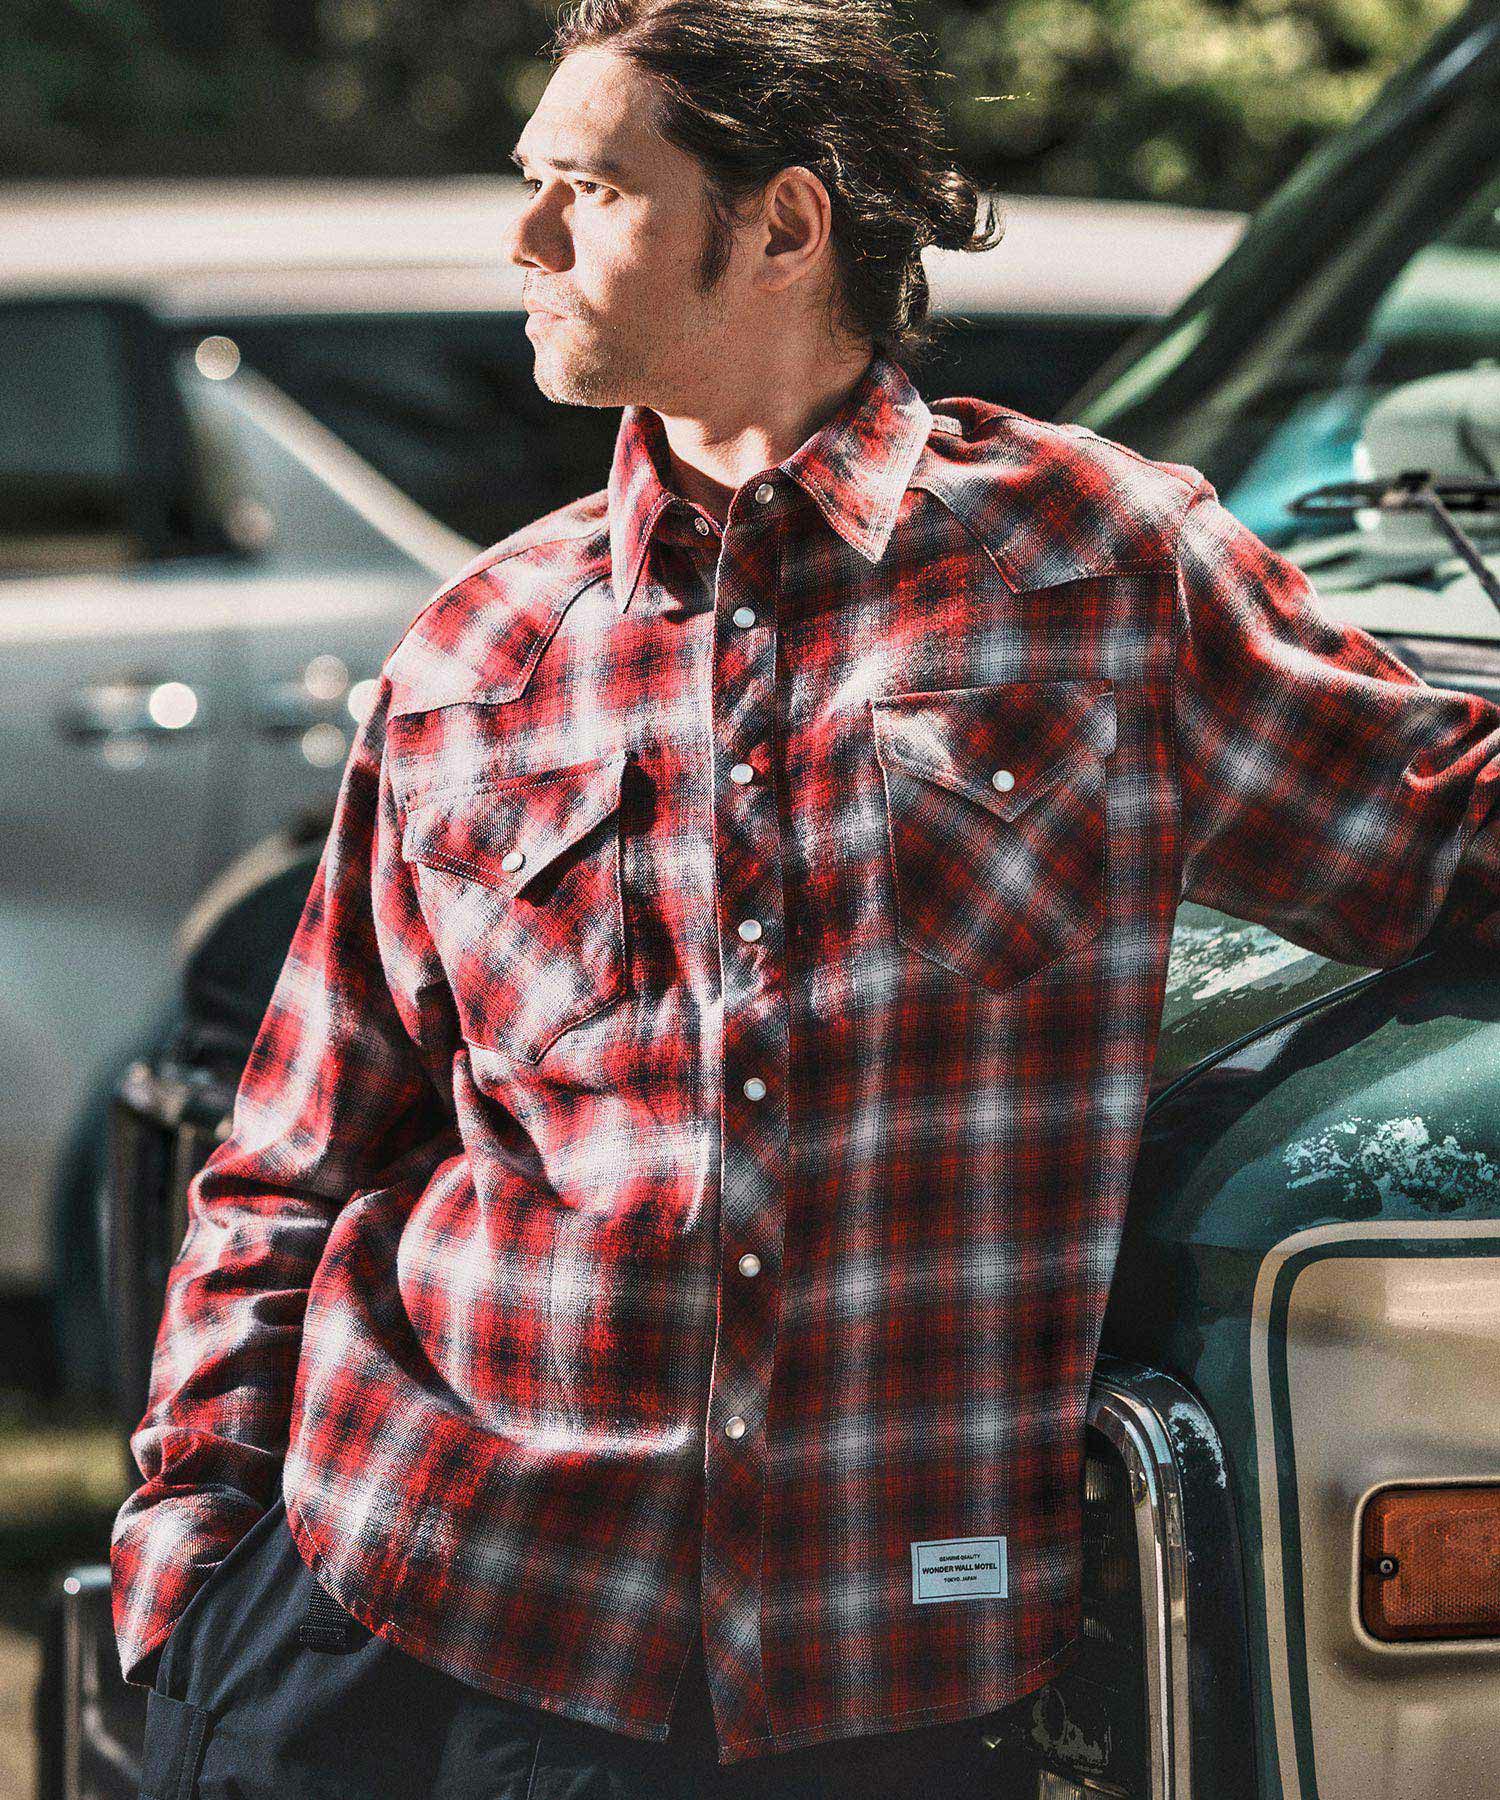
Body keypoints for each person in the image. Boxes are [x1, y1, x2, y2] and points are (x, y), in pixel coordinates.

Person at [113, 1, 1500, 1796]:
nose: (525, 240)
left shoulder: (1100, 565)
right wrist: (183, 1565)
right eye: (533, 184)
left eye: (588, 189)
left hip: (878, 1678)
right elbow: (294, 1160)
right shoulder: (482, 646)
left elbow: (1440, 824)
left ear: (781, 224)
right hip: (431, 1612)